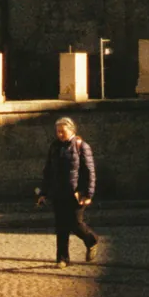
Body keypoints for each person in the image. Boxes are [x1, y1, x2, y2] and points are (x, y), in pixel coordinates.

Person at [36, 114, 98, 266]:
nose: (59, 134)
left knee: (75, 223)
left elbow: (90, 171)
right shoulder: (54, 147)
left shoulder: (81, 146)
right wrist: (43, 193)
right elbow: (48, 171)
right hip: (58, 192)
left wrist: (88, 194)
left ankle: (91, 240)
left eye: (62, 131)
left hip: (76, 193)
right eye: (57, 131)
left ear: (71, 130)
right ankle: (62, 259)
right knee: (61, 226)